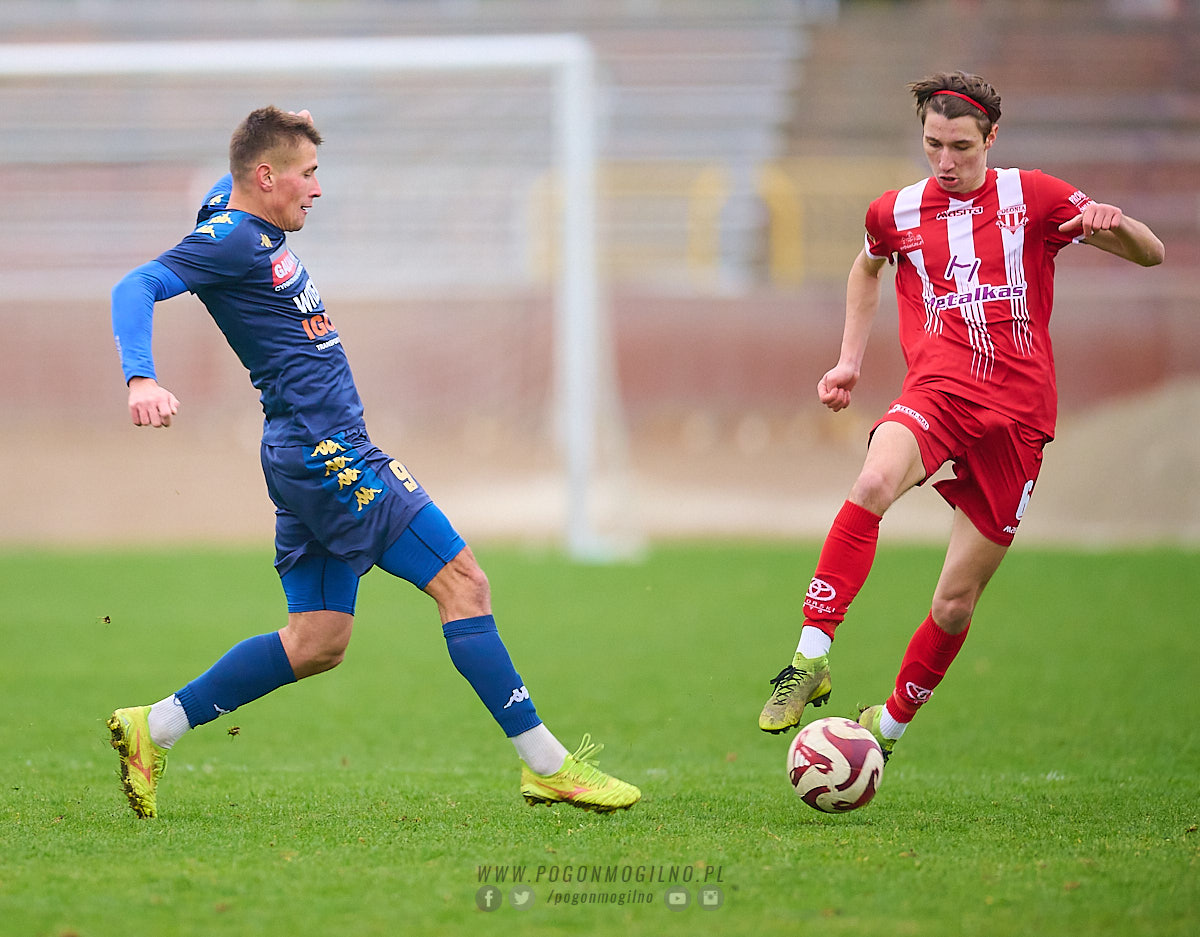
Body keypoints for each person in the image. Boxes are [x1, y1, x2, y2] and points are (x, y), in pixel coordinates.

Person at [107, 106, 640, 817]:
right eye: (307, 174)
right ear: (265, 178)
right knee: (464, 583)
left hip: (301, 450)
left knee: (318, 640)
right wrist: (141, 377)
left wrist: (280, 123)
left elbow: (231, 178)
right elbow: (134, 286)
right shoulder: (231, 239)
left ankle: (154, 727)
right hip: (331, 454)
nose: (317, 189)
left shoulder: (235, 210)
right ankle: (547, 764)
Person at [758, 72, 1164, 759]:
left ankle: (887, 728)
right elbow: (866, 268)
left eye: (961, 147)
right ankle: (810, 655)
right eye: (932, 144)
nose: (944, 161)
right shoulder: (895, 211)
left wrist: (1115, 222)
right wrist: (849, 360)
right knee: (872, 482)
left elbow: (1151, 254)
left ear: (991, 139)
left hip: (1020, 418)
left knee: (953, 604)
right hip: (938, 391)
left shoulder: (1033, 197)